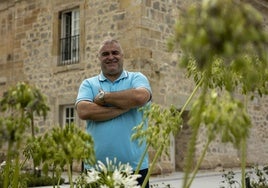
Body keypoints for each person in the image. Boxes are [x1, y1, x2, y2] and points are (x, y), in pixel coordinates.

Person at [75, 38, 152, 187]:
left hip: (134, 170)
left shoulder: (137, 78)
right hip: (95, 171)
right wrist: (124, 106)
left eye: (115, 52)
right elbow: (83, 111)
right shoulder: (89, 84)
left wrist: (104, 97)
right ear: (99, 58)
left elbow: (140, 97)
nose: (111, 57)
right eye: (105, 54)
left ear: (122, 56)